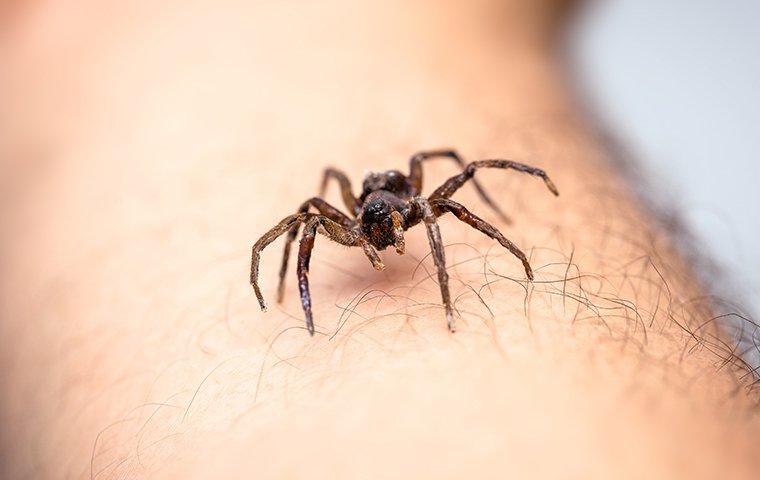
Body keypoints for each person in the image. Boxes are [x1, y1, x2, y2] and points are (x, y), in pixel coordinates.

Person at [1, 0, 756, 478]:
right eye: (373, 223)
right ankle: (290, 299)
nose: (381, 233)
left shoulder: (419, 203)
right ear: (360, 214)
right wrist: (282, 279)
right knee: (304, 205)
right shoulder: (338, 212)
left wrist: (506, 251)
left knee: (463, 189)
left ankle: (505, 251)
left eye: (385, 221)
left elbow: (464, 177)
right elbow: (297, 219)